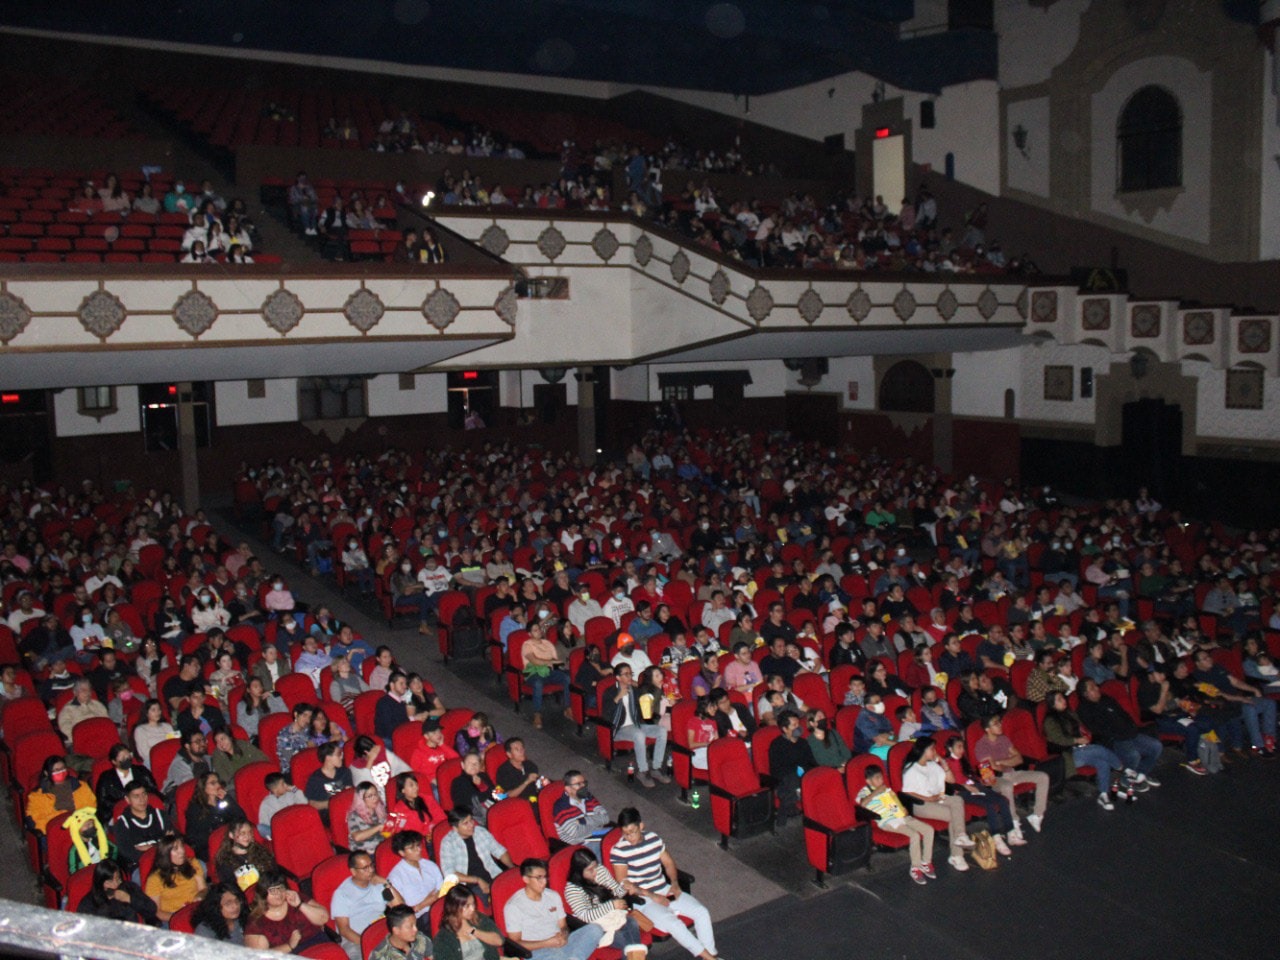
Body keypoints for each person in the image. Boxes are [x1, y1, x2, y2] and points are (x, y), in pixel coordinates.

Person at [610, 808, 719, 960]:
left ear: (641, 826)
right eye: (625, 833)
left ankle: (712, 953)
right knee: (675, 924)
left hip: (664, 889)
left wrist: (674, 883)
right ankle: (710, 959)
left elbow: (668, 863)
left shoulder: (654, 839)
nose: (630, 837)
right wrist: (652, 895)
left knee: (702, 912)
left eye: (633, 832)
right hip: (644, 901)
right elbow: (623, 883)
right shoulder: (619, 851)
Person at [900, 738, 977, 871]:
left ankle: (961, 836)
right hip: (921, 804)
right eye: (932, 749)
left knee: (958, 800)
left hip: (937, 798)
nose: (935, 752)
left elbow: (951, 781)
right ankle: (957, 855)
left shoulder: (933, 765)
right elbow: (907, 792)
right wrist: (928, 798)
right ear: (923, 751)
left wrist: (944, 765)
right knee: (954, 816)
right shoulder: (912, 769)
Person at [504, 857, 604, 960]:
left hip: (560, 943)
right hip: (538, 950)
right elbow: (516, 943)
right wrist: (546, 943)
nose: (544, 882)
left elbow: (563, 926)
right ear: (526, 879)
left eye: (545, 877)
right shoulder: (513, 906)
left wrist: (564, 935)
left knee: (595, 929)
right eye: (539, 878)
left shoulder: (553, 896)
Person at [856, 763, 938, 884]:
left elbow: (895, 801)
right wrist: (877, 791)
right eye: (877, 778)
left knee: (929, 830)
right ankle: (915, 867)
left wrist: (903, 808)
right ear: (868, 781)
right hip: (888, 821)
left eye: (881, 777)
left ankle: (926, 862)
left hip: (901, 816)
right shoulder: (865, 791)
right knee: (914, 835)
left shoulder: (887, 790)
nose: (881, 780)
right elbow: (862, 804)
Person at [1076, 678, 1165, 788]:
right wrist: (1122, 734)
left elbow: (1124, 714)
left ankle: (1140, 774)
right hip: (1113, 740)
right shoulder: (1084, 709)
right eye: (1092, 688)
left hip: (1128, 733)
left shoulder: (1106, 699)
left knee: (1156, 746)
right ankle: (1127, 780)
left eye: (1096, 685)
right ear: (1085, 694)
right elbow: (1099, 730)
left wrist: (1132, 727)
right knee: (1133, 755)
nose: (1097, 688)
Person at [564, 847, 648, 960]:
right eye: (590, 870)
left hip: (613, 916)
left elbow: (616, 891)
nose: (595, 872)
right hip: (598, 927)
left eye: (595, 866)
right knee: (631, 944)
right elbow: (585, 916)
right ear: (579, 871)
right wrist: (611, 905)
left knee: (632, 923)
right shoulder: (573, 889)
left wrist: (624, 888)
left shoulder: (601, 871)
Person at [940, 736, 1020, 852]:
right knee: (989, 805)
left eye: (963, 747)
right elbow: (948, 783)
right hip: (962, 792)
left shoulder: (962, 760)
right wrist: (966, 787)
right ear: (950, 749)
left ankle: (1010, 832)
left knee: (1002, 800)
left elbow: (970, 776)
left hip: (975, 786)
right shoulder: (946, 763)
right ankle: (996, 837)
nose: (962, 750)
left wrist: (981, 780)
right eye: (959, 747)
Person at [1192, 648, 1277, 757]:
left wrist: (1253, 689)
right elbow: (1219, 694)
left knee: (1269, 703)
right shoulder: (1197, 677)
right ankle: (1258, 746)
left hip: (1238, 699)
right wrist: (1241, 699)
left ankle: (1269, 738)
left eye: (1208, 657)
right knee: (1250, 708)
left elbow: (1235, 682)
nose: (1209, 659)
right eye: (1204, 659)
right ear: (1198, 663)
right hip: (1226, 705)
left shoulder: (1217, 667)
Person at [971, 713, 1048, 833]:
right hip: (995, 779)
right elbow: (993, 769)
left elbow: (1019, 759)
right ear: (988, 729)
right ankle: (1014, 822)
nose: (1000, 725)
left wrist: (1001, 762)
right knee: (1007, 786)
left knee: (1043, 777)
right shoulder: (981, 746)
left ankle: (1037, 815)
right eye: (996, 724)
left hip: (1012, 773)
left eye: (999, 722)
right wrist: (1006, 762)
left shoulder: (1004, 739)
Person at [331, 851, 405, 960]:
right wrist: (368, 943)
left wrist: (386, 883)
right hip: (356, 940)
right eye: (365, 868)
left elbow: (400, 907)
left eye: (371, 865)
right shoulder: (342, 894)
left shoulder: (378, 884)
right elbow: (344, 930)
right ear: (353, 871)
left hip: (381, 932)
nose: (371, 870)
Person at [608, 663, 670, 788]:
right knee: (639, 734)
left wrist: (658, 689)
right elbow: (606, 714)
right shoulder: (610, 691)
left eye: (631, 673)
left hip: (636, 725)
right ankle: (642, 771)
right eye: (626, 674)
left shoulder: (634, 691)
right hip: (619, 729)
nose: (630, 676)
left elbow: (646, 706)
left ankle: (655, 767)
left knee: (662, 731)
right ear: (618, 677)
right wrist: (617, 698)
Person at [243, 868, 330, 952]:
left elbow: (324, 919)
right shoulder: (256, 922)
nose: (278, 893)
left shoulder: (296, 898)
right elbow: (260, 956)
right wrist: (289, 945)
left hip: (319, 944)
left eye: (281, 888)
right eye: (272, 890)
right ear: (263, 893)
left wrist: (300, 905)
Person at [438, 808, 513, 897]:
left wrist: (512, 868)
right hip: (469, 887)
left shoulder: (480, 831)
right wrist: (477, 880)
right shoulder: (448, 843)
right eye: (466, 823)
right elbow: (450, 874)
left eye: (471, 820)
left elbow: (499, 851)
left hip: (493, 877)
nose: (471, 825)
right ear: (455, 828)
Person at [387, 829, 444, 935]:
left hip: (440, 910)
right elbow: (401, 914)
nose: (418, 850)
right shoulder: (395, 877)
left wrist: (434, 899)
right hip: (418, 920)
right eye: (412, 848)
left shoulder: (430, 865)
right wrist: (423, 904)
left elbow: (442, 890)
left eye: (418, 845)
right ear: (402, 853)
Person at [144, 833, 207, 923]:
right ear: (165, 853)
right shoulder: (155, 879)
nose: (181, 851)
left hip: (195, 911)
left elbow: (203, 888)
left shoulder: (193, 863)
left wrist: (200, 896)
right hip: (171, 916)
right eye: (175, 849)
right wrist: (179, 918)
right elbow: (157, 912)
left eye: (182, 847)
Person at [521, 621, 573, 728]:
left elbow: (555, 660)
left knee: (566, 678)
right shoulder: (527, 645)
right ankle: (537, 714)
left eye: (539, 629)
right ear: (530, 634)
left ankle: (568, 708)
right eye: (535, 630)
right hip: (534, 674)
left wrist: (556, 662)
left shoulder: (547, 643)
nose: (539, 631)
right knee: (538, 683)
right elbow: (534, 661)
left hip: (549, 671)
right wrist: (550, 662)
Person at [432, 884, 505, 960]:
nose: (472, 909)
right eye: (467, 906)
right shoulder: (443, 938)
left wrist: (473, 931)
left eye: (473, 904)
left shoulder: (478, 918)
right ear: (454, 908)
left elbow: (499, 941)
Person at [26, 755, 95, 834]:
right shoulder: (37, 796)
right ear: (46, 773)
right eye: (56, 770)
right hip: (58, 832)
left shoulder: (81, 786)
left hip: (83, 827)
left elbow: (91, 805)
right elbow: (36, 820)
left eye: (62, 769)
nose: (60, 772)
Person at [186, 772, 247, 861]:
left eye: (218, 782)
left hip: (231, 841)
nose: (218, 785)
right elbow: (196, 837)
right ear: (203, 787)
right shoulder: (196, 809)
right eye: (213, 783)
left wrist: (228, 799)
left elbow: (242, 818)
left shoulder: (223, 801)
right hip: (210, 846)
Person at [77, 860, 159, 926]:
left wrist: (130, 899)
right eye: (109, 882)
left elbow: (151, 909)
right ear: (100, 882)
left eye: (118, 879)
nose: (115, 884)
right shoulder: (89, 902)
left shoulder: (128, 888)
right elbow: (87, 927)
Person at [767, 710, 814, 824]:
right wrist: (797, 772)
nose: (798, 727)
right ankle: (795, 795)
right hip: (787, 778)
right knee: (790, 780)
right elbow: (777, 770)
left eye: (798, 724)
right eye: (794, 725)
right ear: (785, 729)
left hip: (804, 776)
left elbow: (811, 761)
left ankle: (797, 794)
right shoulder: (777, 745)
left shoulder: (803, 742)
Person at [213, 819, 276, 894]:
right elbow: (230, 888)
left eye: (249, 832)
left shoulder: (261, 852)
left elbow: (273, 874)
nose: (247, 836)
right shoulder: (224, 861)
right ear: (231, 835)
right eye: (242, 833)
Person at [552, 770, 610, 851]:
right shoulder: (561, 807)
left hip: (596, 835)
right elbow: (575, 833)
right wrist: (596, 824)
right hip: (578, 845)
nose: (583, 786)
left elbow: (605, 818)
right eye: (578, 784)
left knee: (620, 835)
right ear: (568, 789)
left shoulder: (589, 797)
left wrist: (583, 821)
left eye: (584, 783)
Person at [95, 743, 158, 814]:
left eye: (128, 755)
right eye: (122, 757)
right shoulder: (106, 777)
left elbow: (153, 789)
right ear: (114, 761)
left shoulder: (141, 771)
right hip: (118, 812)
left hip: (144, 808)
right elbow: (103, 802)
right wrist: (124, 803)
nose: (126, 759)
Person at [306, 741, 354, 827]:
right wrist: (333, 803)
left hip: (347, 810)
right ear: (328, 757)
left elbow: (349, 794)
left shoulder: (344, 772)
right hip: (329, 815)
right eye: (338, 754)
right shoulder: (316, 779)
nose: (342, 757)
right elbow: (312, 803)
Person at [257, 771, 308, 840]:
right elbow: (264, 822)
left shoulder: (291, 794)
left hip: (294, 824)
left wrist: (295, 790)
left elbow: (304, 803)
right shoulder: (266, 803)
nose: (286, 785)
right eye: (282, 784)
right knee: (260, 827)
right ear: (275, 789)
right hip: (279, 831)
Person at [347, 781, 390, 853]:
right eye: (370, 796)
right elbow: (357, 837)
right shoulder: (354, 816)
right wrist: (378, 827)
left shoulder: (381, 811)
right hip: (364, 852)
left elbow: (386, 834)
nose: (375, 798)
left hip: (381, 850)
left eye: (376, 794)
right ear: (361, 799)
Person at [163, 730, 211, 795]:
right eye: (197, 742)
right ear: (187, 746)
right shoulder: (179, 764)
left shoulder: (208, 759)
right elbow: (189, 787)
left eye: (203, 740)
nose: (202, 744)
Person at [276, 703, 315, 774]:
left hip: (311, 762)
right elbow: (291, 760)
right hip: (292, 770)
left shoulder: (308, 729)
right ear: (296, 715)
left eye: (309, 717)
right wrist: (309, 749)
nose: (307, 720)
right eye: (304, 716)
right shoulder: (285, 736)